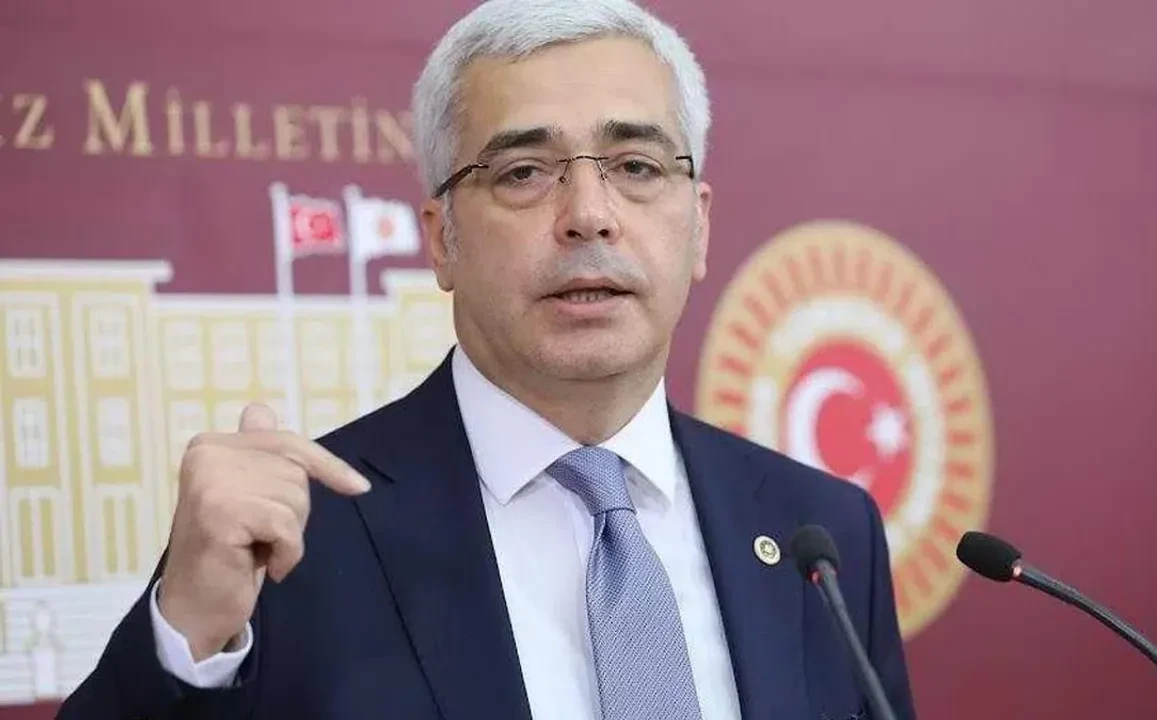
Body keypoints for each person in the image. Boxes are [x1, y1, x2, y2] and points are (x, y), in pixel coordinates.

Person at [59, 1, 915, 718]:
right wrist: (187, 636)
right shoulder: (298, 543)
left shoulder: (823, 536)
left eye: (636, 165)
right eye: (524, 172)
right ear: (442, 241)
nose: (589, 214)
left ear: (698, 225)